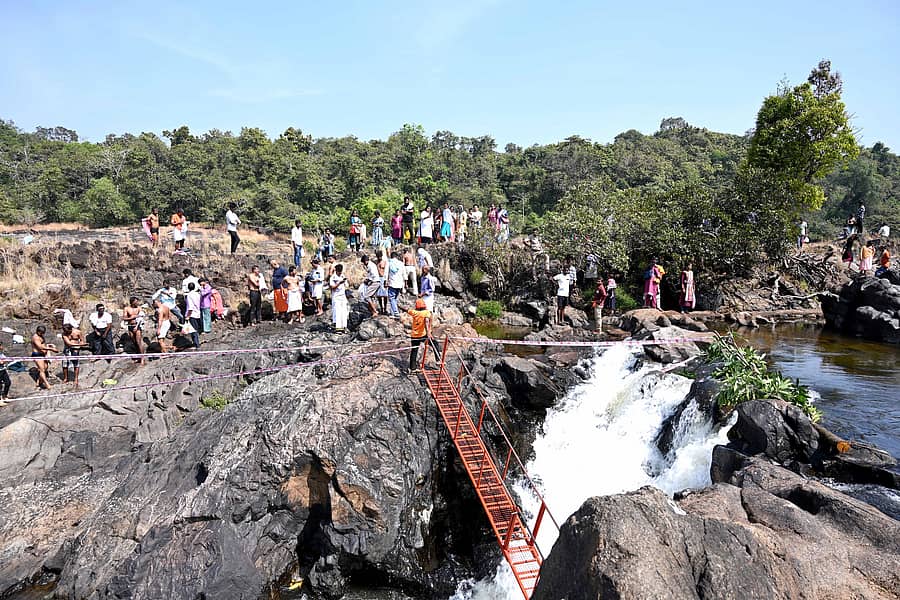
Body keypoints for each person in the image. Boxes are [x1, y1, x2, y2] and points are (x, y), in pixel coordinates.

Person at [408, 298, 439, 373]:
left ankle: (412, 368)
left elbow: (407, 310)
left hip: (414, 335)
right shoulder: (426, 312)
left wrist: (398, 305)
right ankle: (438, 360)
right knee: (434, 343)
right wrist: (428, 332)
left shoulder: (414, 312)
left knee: (414, 350)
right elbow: (426, 321)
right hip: (423, 335)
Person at [31, 325, 58, 390]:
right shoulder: (35, 337)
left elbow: (43, 344)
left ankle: (39, 381)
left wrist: (48, 346)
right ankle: (47, 384)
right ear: (38, 331)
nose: (43, 334)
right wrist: (51, 349)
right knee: (42, 369)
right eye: (41, 332)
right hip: (37, 355)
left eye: (43, 332)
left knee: (45, 368)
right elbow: (40, 347)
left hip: (43, 354)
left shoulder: (41, 336)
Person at [122, 296, 146, 364]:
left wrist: (137, 325)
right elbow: (124, 318)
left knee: (138, 342)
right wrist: (131, 318)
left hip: (137, 326)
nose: (137, 303)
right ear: (132, 302)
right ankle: (138, 356)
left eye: (137, 302)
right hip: (130, 326)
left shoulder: (139, 308)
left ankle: (142, 358)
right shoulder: (127, 309)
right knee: (134, 342)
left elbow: (141, 317)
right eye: (136, 302)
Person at [329, 264, 350, 332]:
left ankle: (344, 326)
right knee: (337, 312)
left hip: (342, 296)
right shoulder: (333, 277)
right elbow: (332, 287)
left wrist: (344, 281)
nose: (340, 272)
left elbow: (347, 285)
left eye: (340, 271)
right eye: (339, 271)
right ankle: (338, 327)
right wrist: (339, 283)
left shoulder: (343, 276)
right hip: (336, 296)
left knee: (344, 311)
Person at [387, 252, 406, 318]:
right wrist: (405, 283)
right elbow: (404, 274)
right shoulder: (401, 263)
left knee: (392, 298)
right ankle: (392, 314)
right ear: (397, 256)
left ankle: (396, 313)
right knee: (394, 298)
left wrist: (385, 281)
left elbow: (386, 273)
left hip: (392, 283)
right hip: (400, 284)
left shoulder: (389, 263)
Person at [185, 282, 202, 349]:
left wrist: (188, 316)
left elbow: (190, 307)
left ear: (188, 288)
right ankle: (196, 343)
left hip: (192, 314)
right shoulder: (198, 294)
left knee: (193, 330)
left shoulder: (189, 295)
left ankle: (196, 344)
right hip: (198, 313)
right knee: (196, 329)